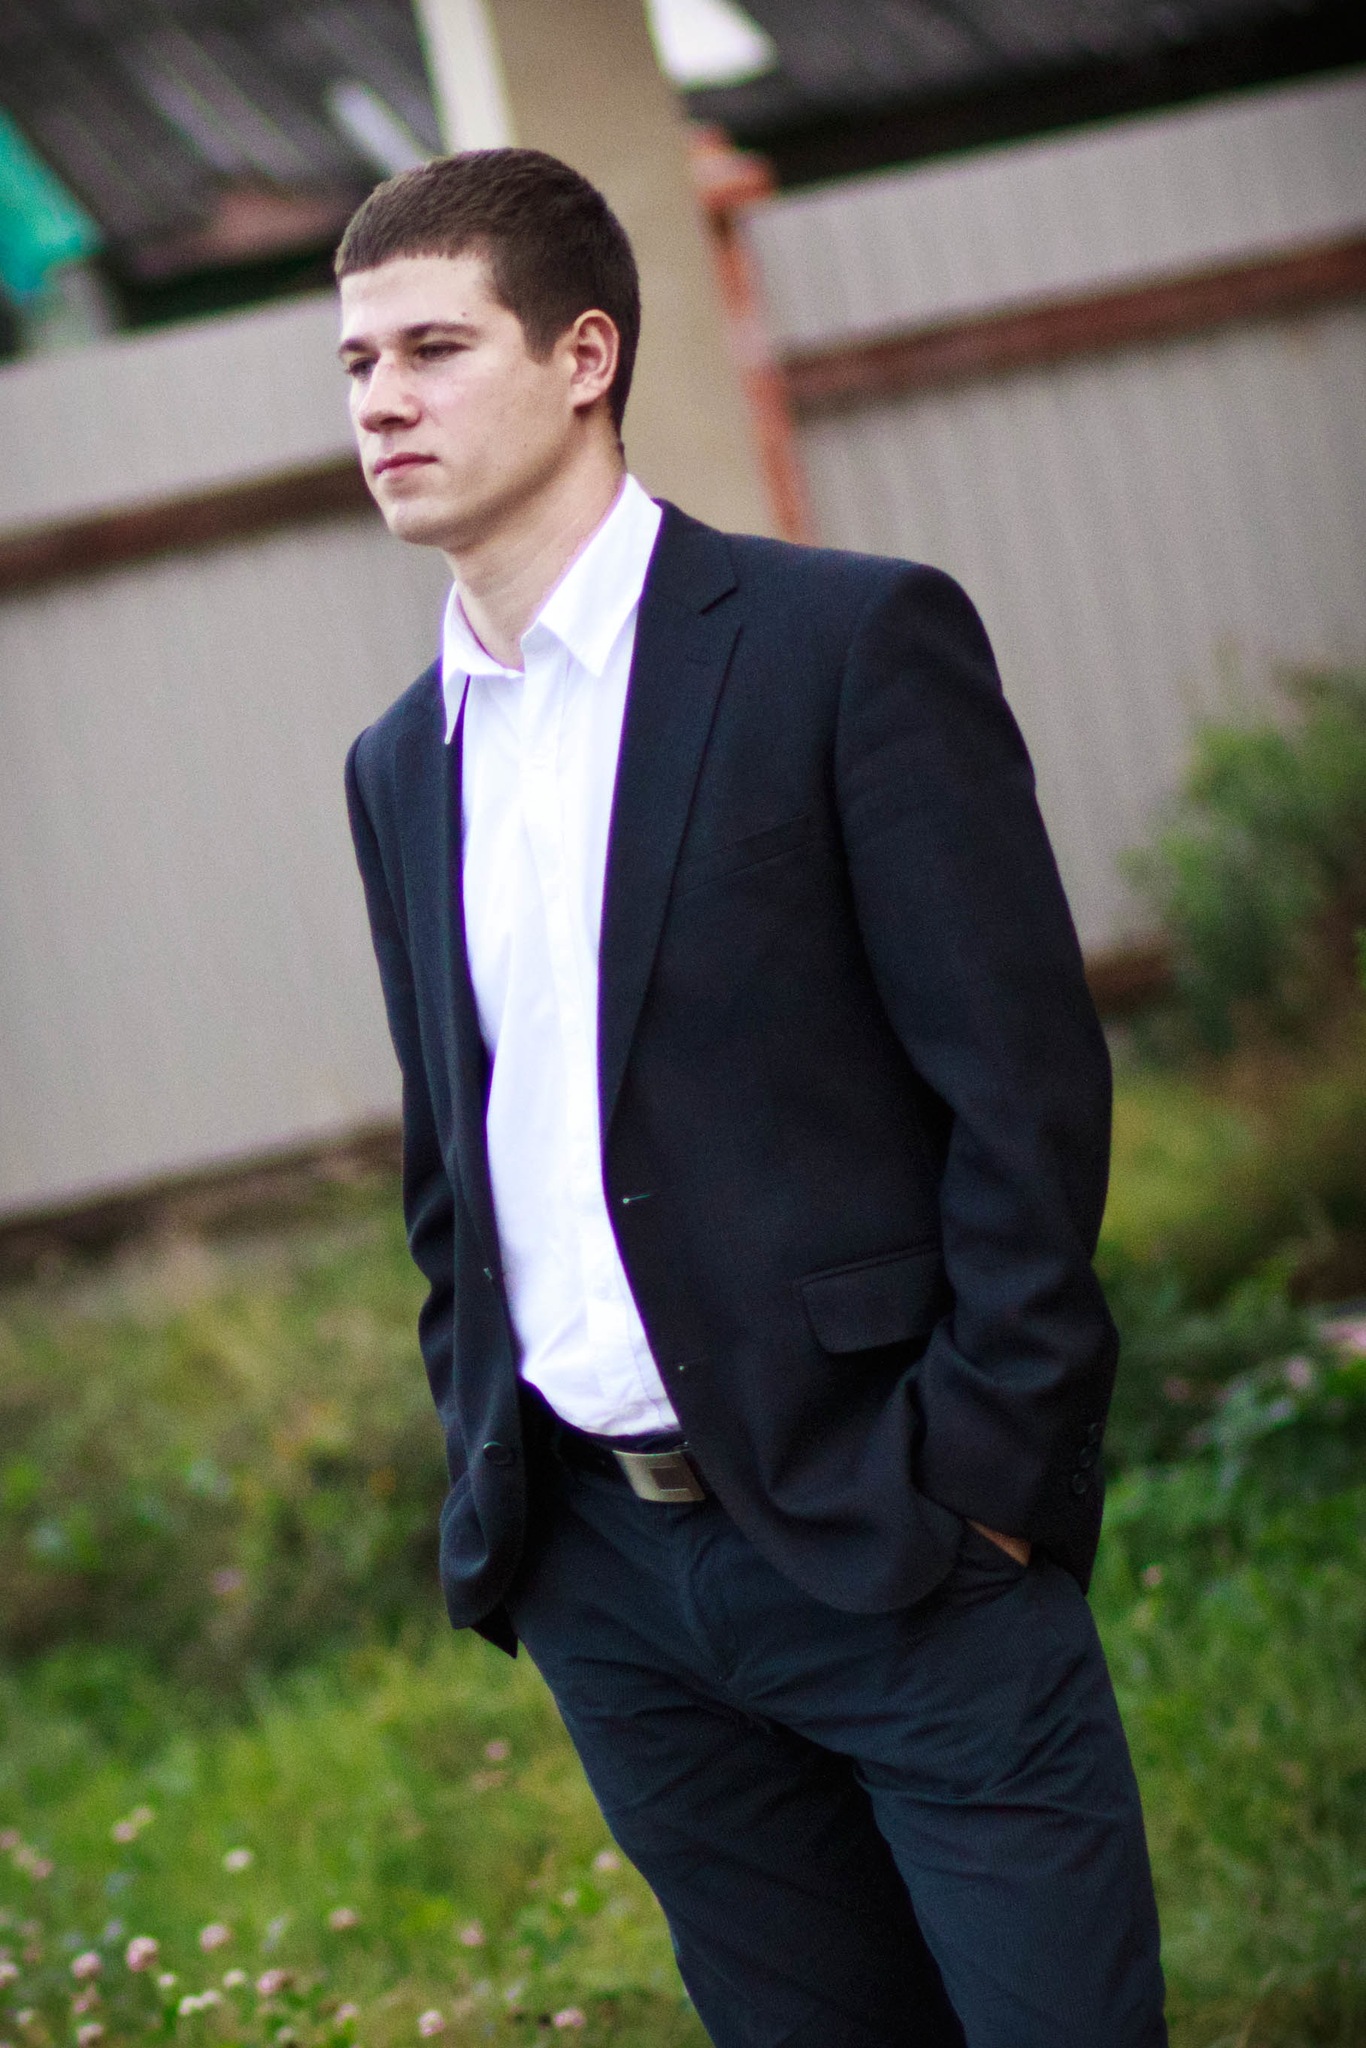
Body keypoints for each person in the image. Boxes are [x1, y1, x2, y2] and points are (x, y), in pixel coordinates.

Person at [337, 147, 1166, 2047]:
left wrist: (983, 1482)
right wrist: (508, 1508)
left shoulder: (842, 645)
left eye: (435, 349)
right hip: (612, 1589)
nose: (380, 400)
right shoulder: (400, 763)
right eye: (357, 362)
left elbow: (1024, 1093)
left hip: (899, 1541)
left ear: (585, 357)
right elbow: (454, 1169)